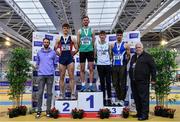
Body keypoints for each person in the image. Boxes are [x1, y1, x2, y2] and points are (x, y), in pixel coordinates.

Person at [129, 42, 156, 120]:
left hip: (143, 82)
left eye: (139, 47)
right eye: (136, 47)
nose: (138, 49)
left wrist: (153, 79)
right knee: (137, 98)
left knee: (143, 99)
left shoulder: (148, 56)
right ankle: (139, 113)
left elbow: (153, 68)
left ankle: (145, 115)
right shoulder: (133, 57)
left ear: (142, 48)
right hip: (134, 82)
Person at [55, 23, 78, 99]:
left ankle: (73, 94)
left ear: (69, 29)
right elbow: (55, 48)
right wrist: (58, 53)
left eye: (67, 28)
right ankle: (61, 94)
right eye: (64, 28)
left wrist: (74, 52)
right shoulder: (59, 38)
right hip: (62, 59)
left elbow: (77, 48)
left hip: (70, 59)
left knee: (71, 77)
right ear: (62, 29)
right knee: (61, 77)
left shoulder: (72, 38)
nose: (65, 29)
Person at [36, 38, 57, 118]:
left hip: (50, 76)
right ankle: (39, 110)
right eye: (45, 42)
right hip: (41, 75)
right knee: (40, 93)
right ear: (43, 43)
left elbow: (55, 64)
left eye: (47, 42)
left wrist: (51, 70)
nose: (46, 43)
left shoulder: (53, 53)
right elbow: (37, 63)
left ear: (49, 43)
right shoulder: (39, 52)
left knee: (49, 94)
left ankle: (48, 111)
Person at [111, 29, 130, 106]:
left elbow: (129, 56)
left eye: (120, 35)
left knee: (122, 83)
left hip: (122, 66)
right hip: (115, 66)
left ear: (122, 36)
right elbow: (111, 55)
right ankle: (118, 98)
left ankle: (122, 99)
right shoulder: (112, 45)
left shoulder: (126, 45)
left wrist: (125, 64)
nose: (119, 36)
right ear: (116, 36)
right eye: (118, 35)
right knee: (115, 83)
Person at [77, 16, 95, 92]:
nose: (85, 21)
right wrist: (82, 47)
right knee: (82, 69)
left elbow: (93, 41)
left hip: (90, 51)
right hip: (82, 51)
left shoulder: (92, 30)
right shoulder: (79, 31)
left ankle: (91, 85)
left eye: (87, 20)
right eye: (84, 20)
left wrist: (90, 47)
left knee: (91, 69)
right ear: (82, 22)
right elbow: (78, 42)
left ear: (89, 21)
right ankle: (83, 85)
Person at [94, 30, 112, 106]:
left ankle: (109, 99)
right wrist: (98, 62)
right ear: (99, 36)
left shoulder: (108, 44)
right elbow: (95, 55)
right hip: (100, 65)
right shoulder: (96, 44)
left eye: (103, 35)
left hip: (107, 64)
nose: (102, 36)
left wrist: (107, 61)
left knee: (108, 82)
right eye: (101, 35)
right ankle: (103, 99)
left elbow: (110, 54)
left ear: (105, 36)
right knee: (102, 82)